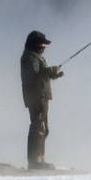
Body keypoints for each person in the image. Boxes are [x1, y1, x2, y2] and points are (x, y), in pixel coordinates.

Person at [20, 29, 63, 170]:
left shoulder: (35, 56)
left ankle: (40, 160)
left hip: (42, 96)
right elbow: (35, 75)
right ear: (36, 44)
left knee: (44, 129)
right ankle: (34, 162)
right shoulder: (29, 57)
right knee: (38, 127)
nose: (44, 47)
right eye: (42, 44)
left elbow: (41, 75)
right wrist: (51, 71)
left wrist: (54, 74)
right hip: (36, 96)